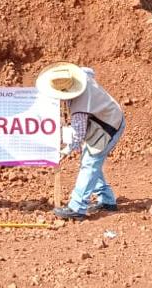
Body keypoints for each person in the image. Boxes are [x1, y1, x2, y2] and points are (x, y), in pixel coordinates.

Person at [35, 63, 125, 220]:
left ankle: (77, 207)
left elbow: (78, 134)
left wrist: (65, 151)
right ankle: (107, 200)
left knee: (90, 162)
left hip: (109, 125)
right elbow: (89, 72)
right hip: (103, 119)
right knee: (89, 160)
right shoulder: (81, 77)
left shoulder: (79, 104)